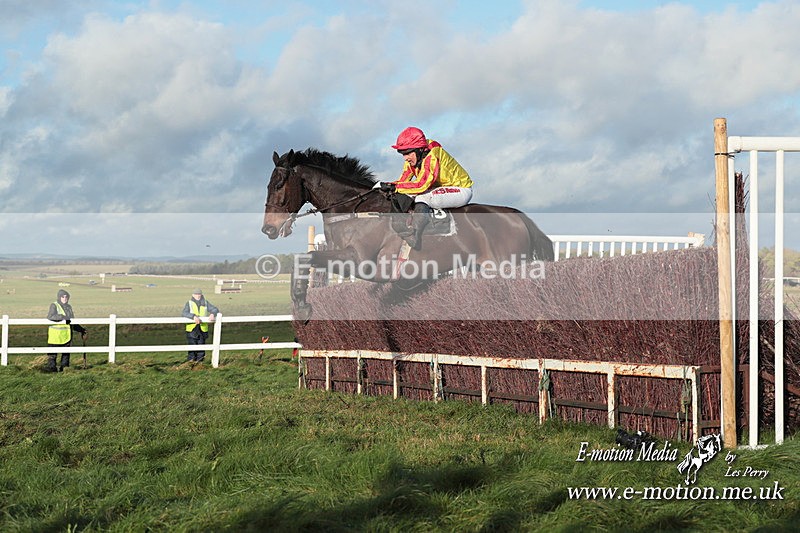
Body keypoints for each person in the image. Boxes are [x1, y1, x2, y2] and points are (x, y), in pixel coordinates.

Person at [379, 126, 474, 249]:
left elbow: (421, 185)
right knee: (405, 194)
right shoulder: (415, 158)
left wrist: (396, 187)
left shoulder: (432, 155)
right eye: (403, 154)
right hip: (441, 188)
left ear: (419, 150)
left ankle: (415, 236)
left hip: (461, 189)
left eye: (407, 153)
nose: (405, 158)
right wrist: (389, 186)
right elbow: (403, 181)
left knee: (423, 197)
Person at [46, 289, 87, 372]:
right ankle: (51, 370)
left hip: (66, 336)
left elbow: (72, 322)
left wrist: (81, 330)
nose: (65, 298)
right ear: (59, 297)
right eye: (62, 296)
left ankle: (64, 370)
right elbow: (50, 317)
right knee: (52, 355)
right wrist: (63, 317)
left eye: (66, 297)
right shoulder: (54, 305)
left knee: (66, 355)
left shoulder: (69, 307)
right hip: (55, 337)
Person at [181, 288, 219, 363]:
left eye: (199, 294)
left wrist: (212, 313)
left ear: (201, 295)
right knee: (192, 347)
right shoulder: (189, 303)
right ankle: (191, 363)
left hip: (202, 329)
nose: (198, 296)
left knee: (201, 347)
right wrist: (193, 316)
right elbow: (184, 313)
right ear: (193, 295)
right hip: (192, 329)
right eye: (196, 294)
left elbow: (215, 309)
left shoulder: (205, 303)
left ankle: (200, 364)